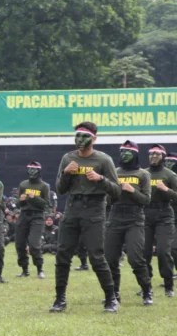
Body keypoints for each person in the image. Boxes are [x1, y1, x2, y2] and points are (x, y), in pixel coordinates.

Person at [49, 122, 121, 313]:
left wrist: (101, 179)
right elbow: (60, 189)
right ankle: (60, 299)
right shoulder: (68, 158)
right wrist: (66, 173)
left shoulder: (103, 160)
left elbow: (117, 191)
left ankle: (111, 298)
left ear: (94, 138)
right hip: (72, 208)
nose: (80, 140)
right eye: (77, 136)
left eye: (84, 136)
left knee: (96, 256)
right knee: (63, 254)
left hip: (95, 209)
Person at [105, 141, 153, 305]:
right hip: (115, 217)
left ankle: (147, 290)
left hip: (135, 219)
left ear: (135, 154)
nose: (124, 154)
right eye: (122, 151)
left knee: (135, 258)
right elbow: (108, 201)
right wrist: (112, 190)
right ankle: (114, 294)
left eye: (128, 151)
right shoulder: (114, 172)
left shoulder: (143, 174)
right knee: (110, 259)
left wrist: (132, 190)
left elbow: (146, 200)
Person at [144, 144, 177, 297]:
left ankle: (169, 285)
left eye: (157, 154)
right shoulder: (143, 174)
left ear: (163, 156)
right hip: (145, 214)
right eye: (151, 154)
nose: (153, 156)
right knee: (144, 253)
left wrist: (166, 190)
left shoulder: (170, 175)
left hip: (164, 214)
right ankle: (146, 285)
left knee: (164, 251)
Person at [15, 162, 50, 279]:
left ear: (39, 171)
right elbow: (18, 204)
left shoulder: (44, 186)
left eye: (34, 169)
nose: (31, 172)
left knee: (34, 244)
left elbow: (46, 204)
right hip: (24, 215)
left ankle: (40, 269)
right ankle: (25, 270)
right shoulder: (23, 184)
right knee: (20, 244)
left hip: (37, 217)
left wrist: (33, 197)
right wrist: (21, 200)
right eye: (29, 169)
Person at [165, 152, 177, 269]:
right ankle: (169, 274)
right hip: (168, 216)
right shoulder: (165, 177)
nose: (169, 164)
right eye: (167, 161)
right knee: (168, 247)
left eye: (171, 161)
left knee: (173, 247)